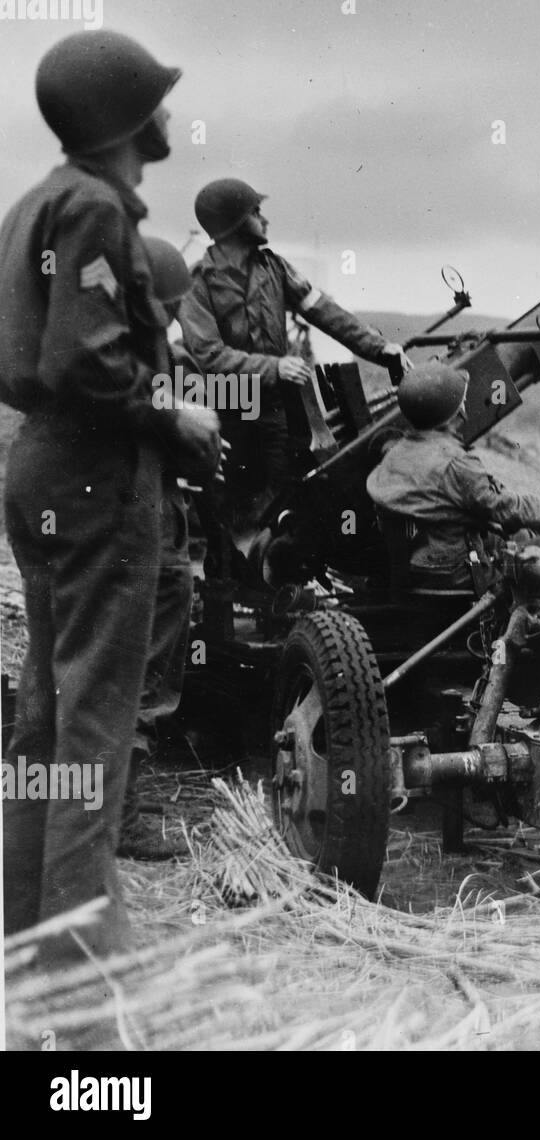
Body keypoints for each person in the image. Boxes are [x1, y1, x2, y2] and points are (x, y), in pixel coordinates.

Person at [0, 32, 221, 958]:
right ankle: (81, 967)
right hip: (99, 476)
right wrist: (176, 422)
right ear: (125, 118)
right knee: (94, 727)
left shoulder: (35, 205)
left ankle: (26, 933)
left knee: (45, 719)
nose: (170, 114)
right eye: (157, 100)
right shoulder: (93, 209)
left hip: (43, 468)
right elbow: (83, 359)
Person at [179, 177, 410, 538]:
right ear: (235, 223)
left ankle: (281, 578)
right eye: (256, 212)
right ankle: (231, 584)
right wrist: (274, 366)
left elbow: (325, 312)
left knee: (288, 493)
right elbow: (208, 354)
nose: (264, 219)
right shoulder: (197, 282)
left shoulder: (274, 268)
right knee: (231, 504)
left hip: (275, 407)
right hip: (228, 407)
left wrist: (381, 349)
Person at [117, 236, 213, 861]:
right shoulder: (141, 366)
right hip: (147, 528)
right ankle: (122, 820)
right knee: (147, 675)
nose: (180, 319)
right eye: (174, 305)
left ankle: (106, 804)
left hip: (117, 520)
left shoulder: (102, 353)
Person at [366, 362, 540, 589]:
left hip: (418, 568)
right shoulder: (456, 464)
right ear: (456, 415)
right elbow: (512, 511)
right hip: (462, 572)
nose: (464, 407)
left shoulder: (393, 454)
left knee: (523, 535)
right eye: (462, 402)